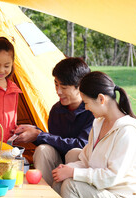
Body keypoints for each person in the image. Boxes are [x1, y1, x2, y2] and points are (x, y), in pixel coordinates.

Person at [38, 71, 136, 198]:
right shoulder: (99, 124)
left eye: (86, 103)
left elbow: (111, 177)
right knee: (62, 180)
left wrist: (73, 173)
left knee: (72, 184)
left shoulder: (128, 132)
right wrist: (67, 169)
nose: (85, 108)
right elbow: (86, 160)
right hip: (103, 194)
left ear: (101, 99)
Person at [13, 57, 94, 186]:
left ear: (80, 87)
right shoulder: (57, 110)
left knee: (74, 153)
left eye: (64, 87)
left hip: (82, 170)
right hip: (58, 165)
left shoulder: (92, 111)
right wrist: (35, 132)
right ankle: (45, 195)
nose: (58, 91)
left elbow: (81, 144)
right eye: (56, 84)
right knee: (43, 149)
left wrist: (39, 135)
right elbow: (55, 141)